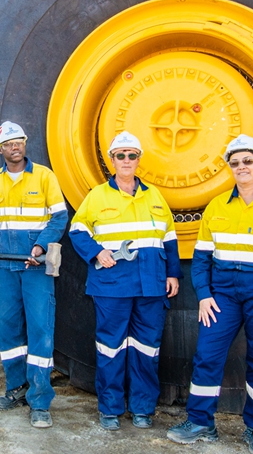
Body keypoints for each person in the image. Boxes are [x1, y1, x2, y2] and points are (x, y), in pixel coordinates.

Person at [166, 134, 253, 454]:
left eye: (248, 161)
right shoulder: (217, 207)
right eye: (235, 163)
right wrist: (204, 295)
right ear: (230, 168)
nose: (242, 167)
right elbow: (201, 261)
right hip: (224, 295)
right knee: (207, 355)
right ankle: (201, 422)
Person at [68, 131, 180, 431]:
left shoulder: (154, 196)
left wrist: (173, 273)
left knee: (147, 348)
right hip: (113, 285)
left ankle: (142, 408)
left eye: (132, 155)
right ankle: (110, 408)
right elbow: (77, 230)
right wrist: (97, 253)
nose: (127, 160)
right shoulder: (97, 196)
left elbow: (169, 238)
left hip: (151, 285)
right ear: (112, 160)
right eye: (121, 155)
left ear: (139, 160)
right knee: (110, 347)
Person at [0, 121, 69, 428]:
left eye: (19, 142)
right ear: (0, 150)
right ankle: (16, 390)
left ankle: (39, 401)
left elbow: (59, 217)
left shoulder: (44, 176)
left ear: (25, 144)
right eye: (9, 144)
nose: (15, 147)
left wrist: (39, 247)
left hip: (34, 267)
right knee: (10, 329)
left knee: (40, 330)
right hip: (5, 267)